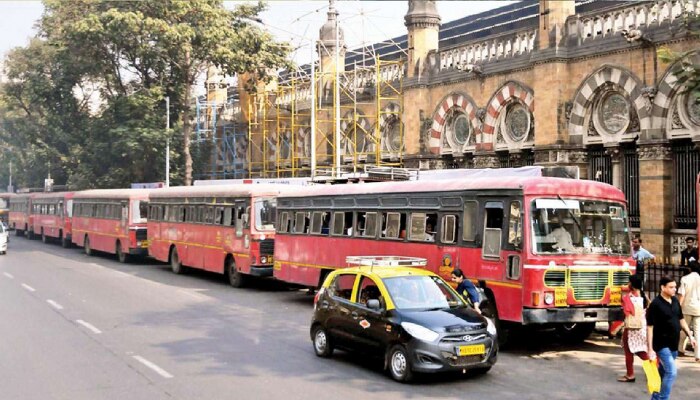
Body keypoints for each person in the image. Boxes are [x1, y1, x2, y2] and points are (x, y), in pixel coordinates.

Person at [646, 277, 697, 400]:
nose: (674, 289)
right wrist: (650, 349)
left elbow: (681, 320)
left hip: (673, 343)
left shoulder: (675, 301)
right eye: (671, 287)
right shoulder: (655, 304)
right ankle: (663, 398)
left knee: (663, 372)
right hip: (661, 344)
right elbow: (650, 327)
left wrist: (690, 335)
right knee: (672, 372)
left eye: (675, 287)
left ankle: (655, 395)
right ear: (662, 287)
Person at [617, 275, 649, 382]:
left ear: (632, 285)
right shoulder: (644, 296)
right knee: (640, 349)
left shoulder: (629, 297)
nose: (628, 284)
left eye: (629, 282)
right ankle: (654, 367)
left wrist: (623, 296)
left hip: (631, 328)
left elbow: (626, 311)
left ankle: (630, 374)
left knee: (629, 351)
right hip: (642, 327)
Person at [677, 261, 700, 361]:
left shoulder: (685, 279)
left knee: (684, 329)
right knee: (698, 332)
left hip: (687, 307)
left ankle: (680, 349)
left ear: (689, 269)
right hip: (698, 307)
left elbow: (682, 294)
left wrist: (678, 307)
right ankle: (698, 355)